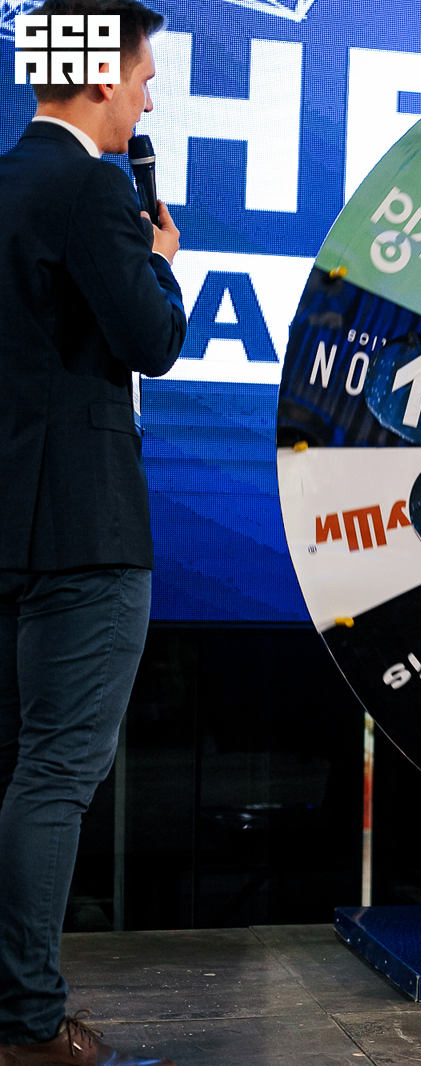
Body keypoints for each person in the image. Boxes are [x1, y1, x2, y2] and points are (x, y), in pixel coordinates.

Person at [0, 1, 185, 1061]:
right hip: (84, 534)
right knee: (57, 777)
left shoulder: (7, 181)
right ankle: (28, 1023)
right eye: (144, 78)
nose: (147, 101)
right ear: (102, 73)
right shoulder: (93, 188)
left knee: (16, 773)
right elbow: (151, 339)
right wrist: (160, 259)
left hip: (11, 529)